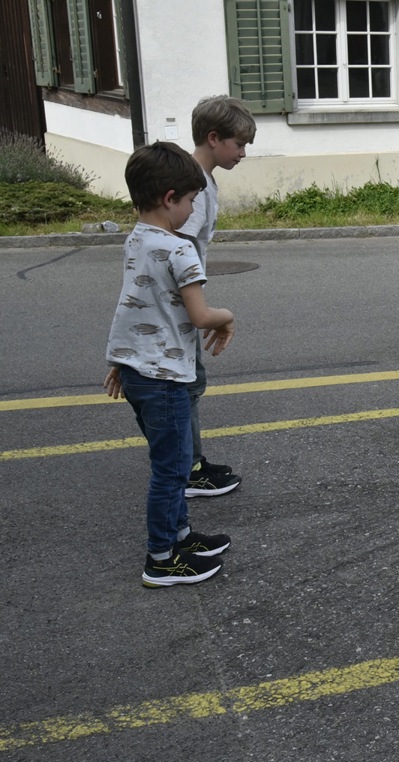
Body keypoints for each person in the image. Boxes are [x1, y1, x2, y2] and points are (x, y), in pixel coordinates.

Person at [102, 142, 236, 587]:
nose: (193, 208)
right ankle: (161, 557)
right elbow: (201, 317)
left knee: (170, 463)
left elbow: (133, 306)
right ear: (169, 198)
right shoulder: (180, 250)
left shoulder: (137, 239)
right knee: (172, 469)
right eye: (192, 200)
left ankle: (180, 536)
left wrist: (121, 360)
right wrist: (227, 316)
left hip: (141, 373)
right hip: (165, 378)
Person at [177, 95, 256, 498]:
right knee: (186, 384)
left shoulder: (198, 179)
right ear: (213, 138)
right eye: (238, 144)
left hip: (182, 305)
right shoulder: (194, 187)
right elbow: (179, 251)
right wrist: (200, 310)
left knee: (188, 382)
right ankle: (188, 471)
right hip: (179, 308)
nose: (242, 153)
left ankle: (188, 462)